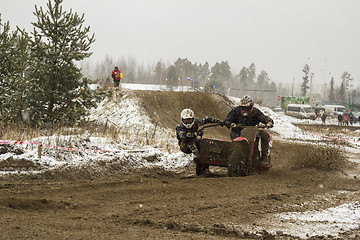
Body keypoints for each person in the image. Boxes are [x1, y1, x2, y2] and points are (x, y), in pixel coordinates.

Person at [223, 95, 274, 167]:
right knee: (235, 145)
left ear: (251, 107)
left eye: (246, 108)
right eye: (242, 108)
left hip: (252, 133)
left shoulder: (255, 112)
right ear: (240, 106)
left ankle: (264, 158)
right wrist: (232, 125)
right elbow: (227, 120)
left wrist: (269, 122)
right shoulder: (235, 111)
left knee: (265, 135)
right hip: (237, 132)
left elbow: (263, 117)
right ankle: (234, 157)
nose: (244, 110)